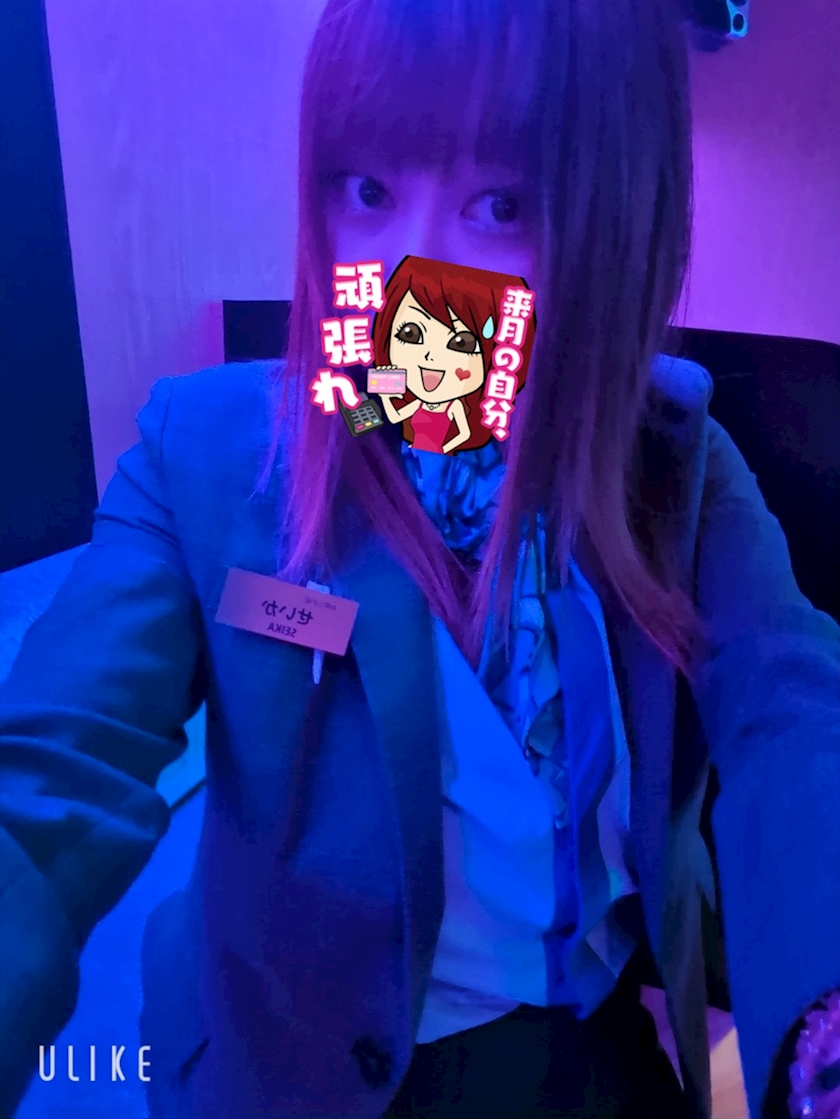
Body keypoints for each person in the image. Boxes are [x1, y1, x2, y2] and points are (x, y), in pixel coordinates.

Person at [0, 1, 839, 1118]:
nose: (412, 271)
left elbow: (795, 710)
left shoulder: (676, 462)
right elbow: (55, 761)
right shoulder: (203, 452)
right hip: (294, 1065)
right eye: (367, 190)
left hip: (591, 1030)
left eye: (501, 205)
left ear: (618, 221)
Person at [369, 255, 533, 455]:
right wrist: (385, 396)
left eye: (461, 343)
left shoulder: (455, 407)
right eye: (410, 334)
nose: (430, 356)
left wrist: (445, 449)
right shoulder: (417, 404)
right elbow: (395, 417)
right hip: (415, 454)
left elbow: (464, 433)